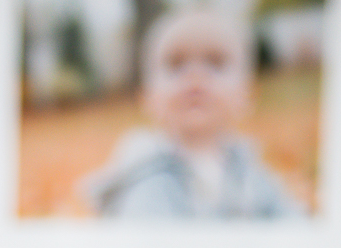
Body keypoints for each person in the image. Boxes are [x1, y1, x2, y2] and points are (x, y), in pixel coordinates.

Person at [84, 7, 305, 220]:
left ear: (246, 95)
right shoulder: (146, 175)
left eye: (215, 62)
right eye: (176, 64)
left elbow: (292, 226)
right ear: (147, 96)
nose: (194, 75)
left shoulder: (248, 170)